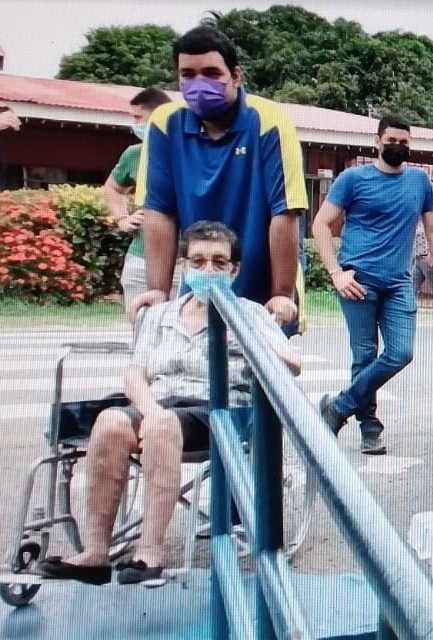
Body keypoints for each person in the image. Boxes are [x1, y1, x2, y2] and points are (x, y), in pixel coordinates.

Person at [37, 221, 302, 586]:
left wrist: (249, 336)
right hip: (160, 404)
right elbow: (135, 375)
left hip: (220, 409)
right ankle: (95, 552)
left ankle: (150, 551)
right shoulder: (160, 315)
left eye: (219, 262)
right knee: (111, 421)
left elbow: (293, 364)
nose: (207, 270)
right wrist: (152, 409)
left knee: (161, 426)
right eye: (198, 261)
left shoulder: (250, 313)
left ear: (234, 270)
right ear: (185, 267)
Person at [132, 25, 307, 330]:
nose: (199, 83)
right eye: (188, 75)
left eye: (212, 73)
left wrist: (281, 294)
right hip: (201, 280)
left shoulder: (269, 121)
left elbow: (285, 213)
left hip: (262, 294)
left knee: (259, 372)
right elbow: (158, 211)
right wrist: (158, 290)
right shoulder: (164, 124)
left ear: (236, 76)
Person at [312, 114, 433, 455]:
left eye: (404, 142)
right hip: (358, 281)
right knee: (364, 355)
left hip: (398, 282)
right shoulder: (353, 179)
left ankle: (338, 407)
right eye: (391, 141)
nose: (397, 147)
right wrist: (336, 273)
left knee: (401, 352)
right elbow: (321, 225)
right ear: (377, 142)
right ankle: (370, 428)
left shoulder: (419, 182)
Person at [103, 88, 172, 312]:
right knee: (142, 330)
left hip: (184, 262)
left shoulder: (192, 150)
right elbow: (113, 188)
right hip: (141, 258)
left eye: (138, 118)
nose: (134, 124)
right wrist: (123, 218)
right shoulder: (134, 153)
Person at [412, 218, 433, 300]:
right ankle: (409, 309)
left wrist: (432, 254)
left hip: (427, 258)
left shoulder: (431, 219)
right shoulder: (415, 219)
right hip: (417, 258)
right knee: (411, 288)